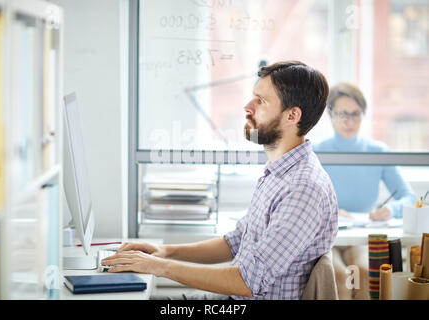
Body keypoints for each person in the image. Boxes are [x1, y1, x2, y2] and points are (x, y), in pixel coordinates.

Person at [101, 61, 339, 300]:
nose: (248, 107)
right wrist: (165, 252)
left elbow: (248, 281)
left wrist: (156, 266)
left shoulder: (303, 188)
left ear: (292, 115)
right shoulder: (278, 173)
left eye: (261, 101)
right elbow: (235, 242)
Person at [313, 82, 416, 299]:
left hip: (361, 234)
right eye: (343, 114)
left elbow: (409, 196)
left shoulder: (377, 151)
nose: (350, 121)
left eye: (356, 114)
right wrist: (330, 211)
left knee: (362, 272)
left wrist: (391, 208)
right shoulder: (317, 151)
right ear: (330, 115)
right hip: (327, 236)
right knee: (339, 276)